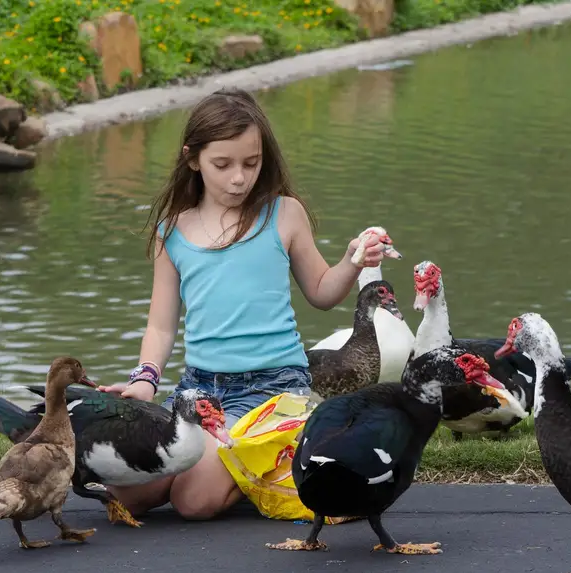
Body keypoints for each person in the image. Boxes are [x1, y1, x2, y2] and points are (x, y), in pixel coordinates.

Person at [96, 88, 390, 521]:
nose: (239, 178)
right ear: (193, 158)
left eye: (251, 164)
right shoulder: (172, 230)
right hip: (199, 390)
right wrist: (144, 380)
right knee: (129, 495)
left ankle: (277, 452)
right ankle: (242, 458)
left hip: (273, 389)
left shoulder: (283, 214)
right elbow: (161, 325)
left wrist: (352, 261)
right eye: (223, 164)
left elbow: (323, 294)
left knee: (193, 502)